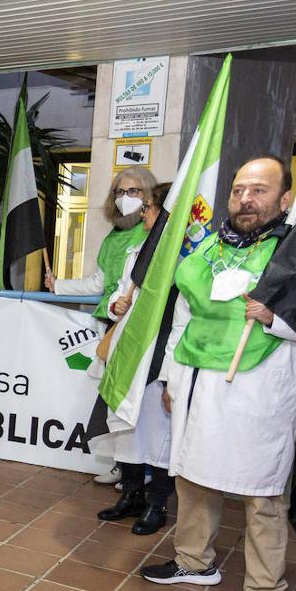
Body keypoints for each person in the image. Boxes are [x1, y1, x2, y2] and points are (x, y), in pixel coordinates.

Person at [140, 156, 296, 591]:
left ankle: (266, 590)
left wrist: (276, 319)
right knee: (193, 474)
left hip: (263, 386)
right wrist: (171, 377)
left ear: (284, 199)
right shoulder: (208, 248)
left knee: (261, 490)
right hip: (199, 379)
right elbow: (184, 317)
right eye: (238, 191)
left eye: (258, 190)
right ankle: (194, 561)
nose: (245, 200)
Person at [47, 166, 157, 485]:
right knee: (110, 396)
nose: (125, 198)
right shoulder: (114, 236)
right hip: (109, 321)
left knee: (131, 398)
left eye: (134, 191)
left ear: (149, 196)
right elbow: (99, 282)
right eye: (119, 192)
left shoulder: (151, 234)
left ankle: (140, 469)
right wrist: (60, 286)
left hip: (134, 324)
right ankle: (121, 463)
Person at [96, 182, 174, 534]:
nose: (143, 214)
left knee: (158, 432)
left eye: (148, 208)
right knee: (125, 425)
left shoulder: (181, 257)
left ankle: (157, 503)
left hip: (158, 354)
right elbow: (117, 292)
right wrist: (117, 305)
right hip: (128, 349)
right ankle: (132, 495)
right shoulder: (139, 250)